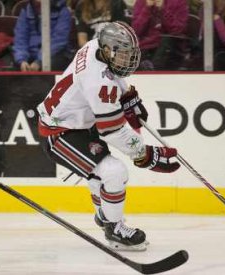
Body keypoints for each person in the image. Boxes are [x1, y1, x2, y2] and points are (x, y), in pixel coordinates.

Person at [36, 21, 180, 250]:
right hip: (59, 132)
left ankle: (105, 217)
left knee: (101, 174)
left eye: (130, 54)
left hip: (79, 122)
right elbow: (112, 130)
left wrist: (127, 96)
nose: (128, 60)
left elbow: (111, 75)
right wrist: (145, 155)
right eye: (123, 54)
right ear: (107, 50)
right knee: (113, 172)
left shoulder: (95, 46)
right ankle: (115, 229)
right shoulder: (97, 82)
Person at [13, 0, 72, 71]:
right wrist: (21, 60)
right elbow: (20, 38)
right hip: (30, 53)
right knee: (16, 64)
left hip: (55, 53)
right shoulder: (26, 11)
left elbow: (59, 40)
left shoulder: (63, 11)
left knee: (51, 65)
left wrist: (40, 61)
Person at [131, 0, 188, 70]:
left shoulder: (179, 2)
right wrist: (147, 8)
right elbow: (136, 30)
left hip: (170, 49)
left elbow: (178, 30)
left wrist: (162, 9)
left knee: (166, 42)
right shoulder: (141, 2)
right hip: (145, 48)